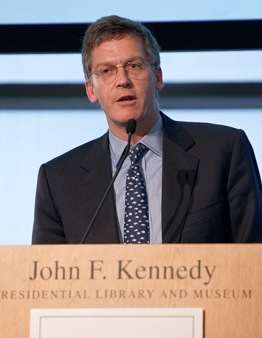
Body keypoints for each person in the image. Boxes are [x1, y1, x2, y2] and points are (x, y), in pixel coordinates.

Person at [32, 15, 262, 244]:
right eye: (106, 71)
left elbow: (253, 258)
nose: (122, 80)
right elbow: (48, 274)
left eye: (134, 65)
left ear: (158, 77)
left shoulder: (224, 151)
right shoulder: (58, 180)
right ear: (91, 90)